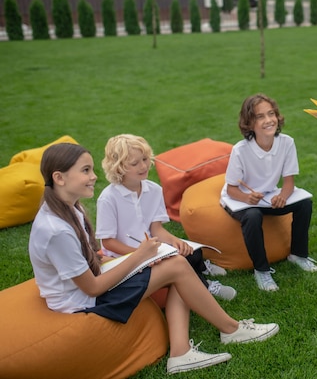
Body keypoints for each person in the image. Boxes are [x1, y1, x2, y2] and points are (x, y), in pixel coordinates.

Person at [29, 143, 279, 374]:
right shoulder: (56, 229)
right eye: (85, 170)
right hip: (82, 301)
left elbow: (93, 257)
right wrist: (140, 256)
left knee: (176, 264)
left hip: (91, 283)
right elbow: (92, 287)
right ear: (59, 178)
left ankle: (182, 351)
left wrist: (143, 258)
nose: (93, 176)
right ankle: (230, 330)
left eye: (91, 169)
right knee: (177, 267)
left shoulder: (70, 208)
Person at [96, 134, 236, 301]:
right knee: (177, 262)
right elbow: (108, 242)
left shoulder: (154, 190)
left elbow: (156, 229)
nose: (143, 166)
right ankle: (205, 287)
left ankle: (202, 266)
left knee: (190, 251)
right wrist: (140, 254)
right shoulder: (108, 198)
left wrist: (175, 241)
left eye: (145, 159)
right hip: (125, 257)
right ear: (118, 168)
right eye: (135, 163)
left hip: (151, 247)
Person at [221, 93, 317, 292]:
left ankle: (298, 254)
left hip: (267, 195)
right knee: (252, 215)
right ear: (249, 123)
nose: (268, 120)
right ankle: (262, 271)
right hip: (240, 200)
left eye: (271, 114)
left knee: (304, 203)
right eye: (260, 117)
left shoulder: (286, 143)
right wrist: (248, 197)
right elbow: (231, 189)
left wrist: (282, 196)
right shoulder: (240, 150)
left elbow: (289, 182)